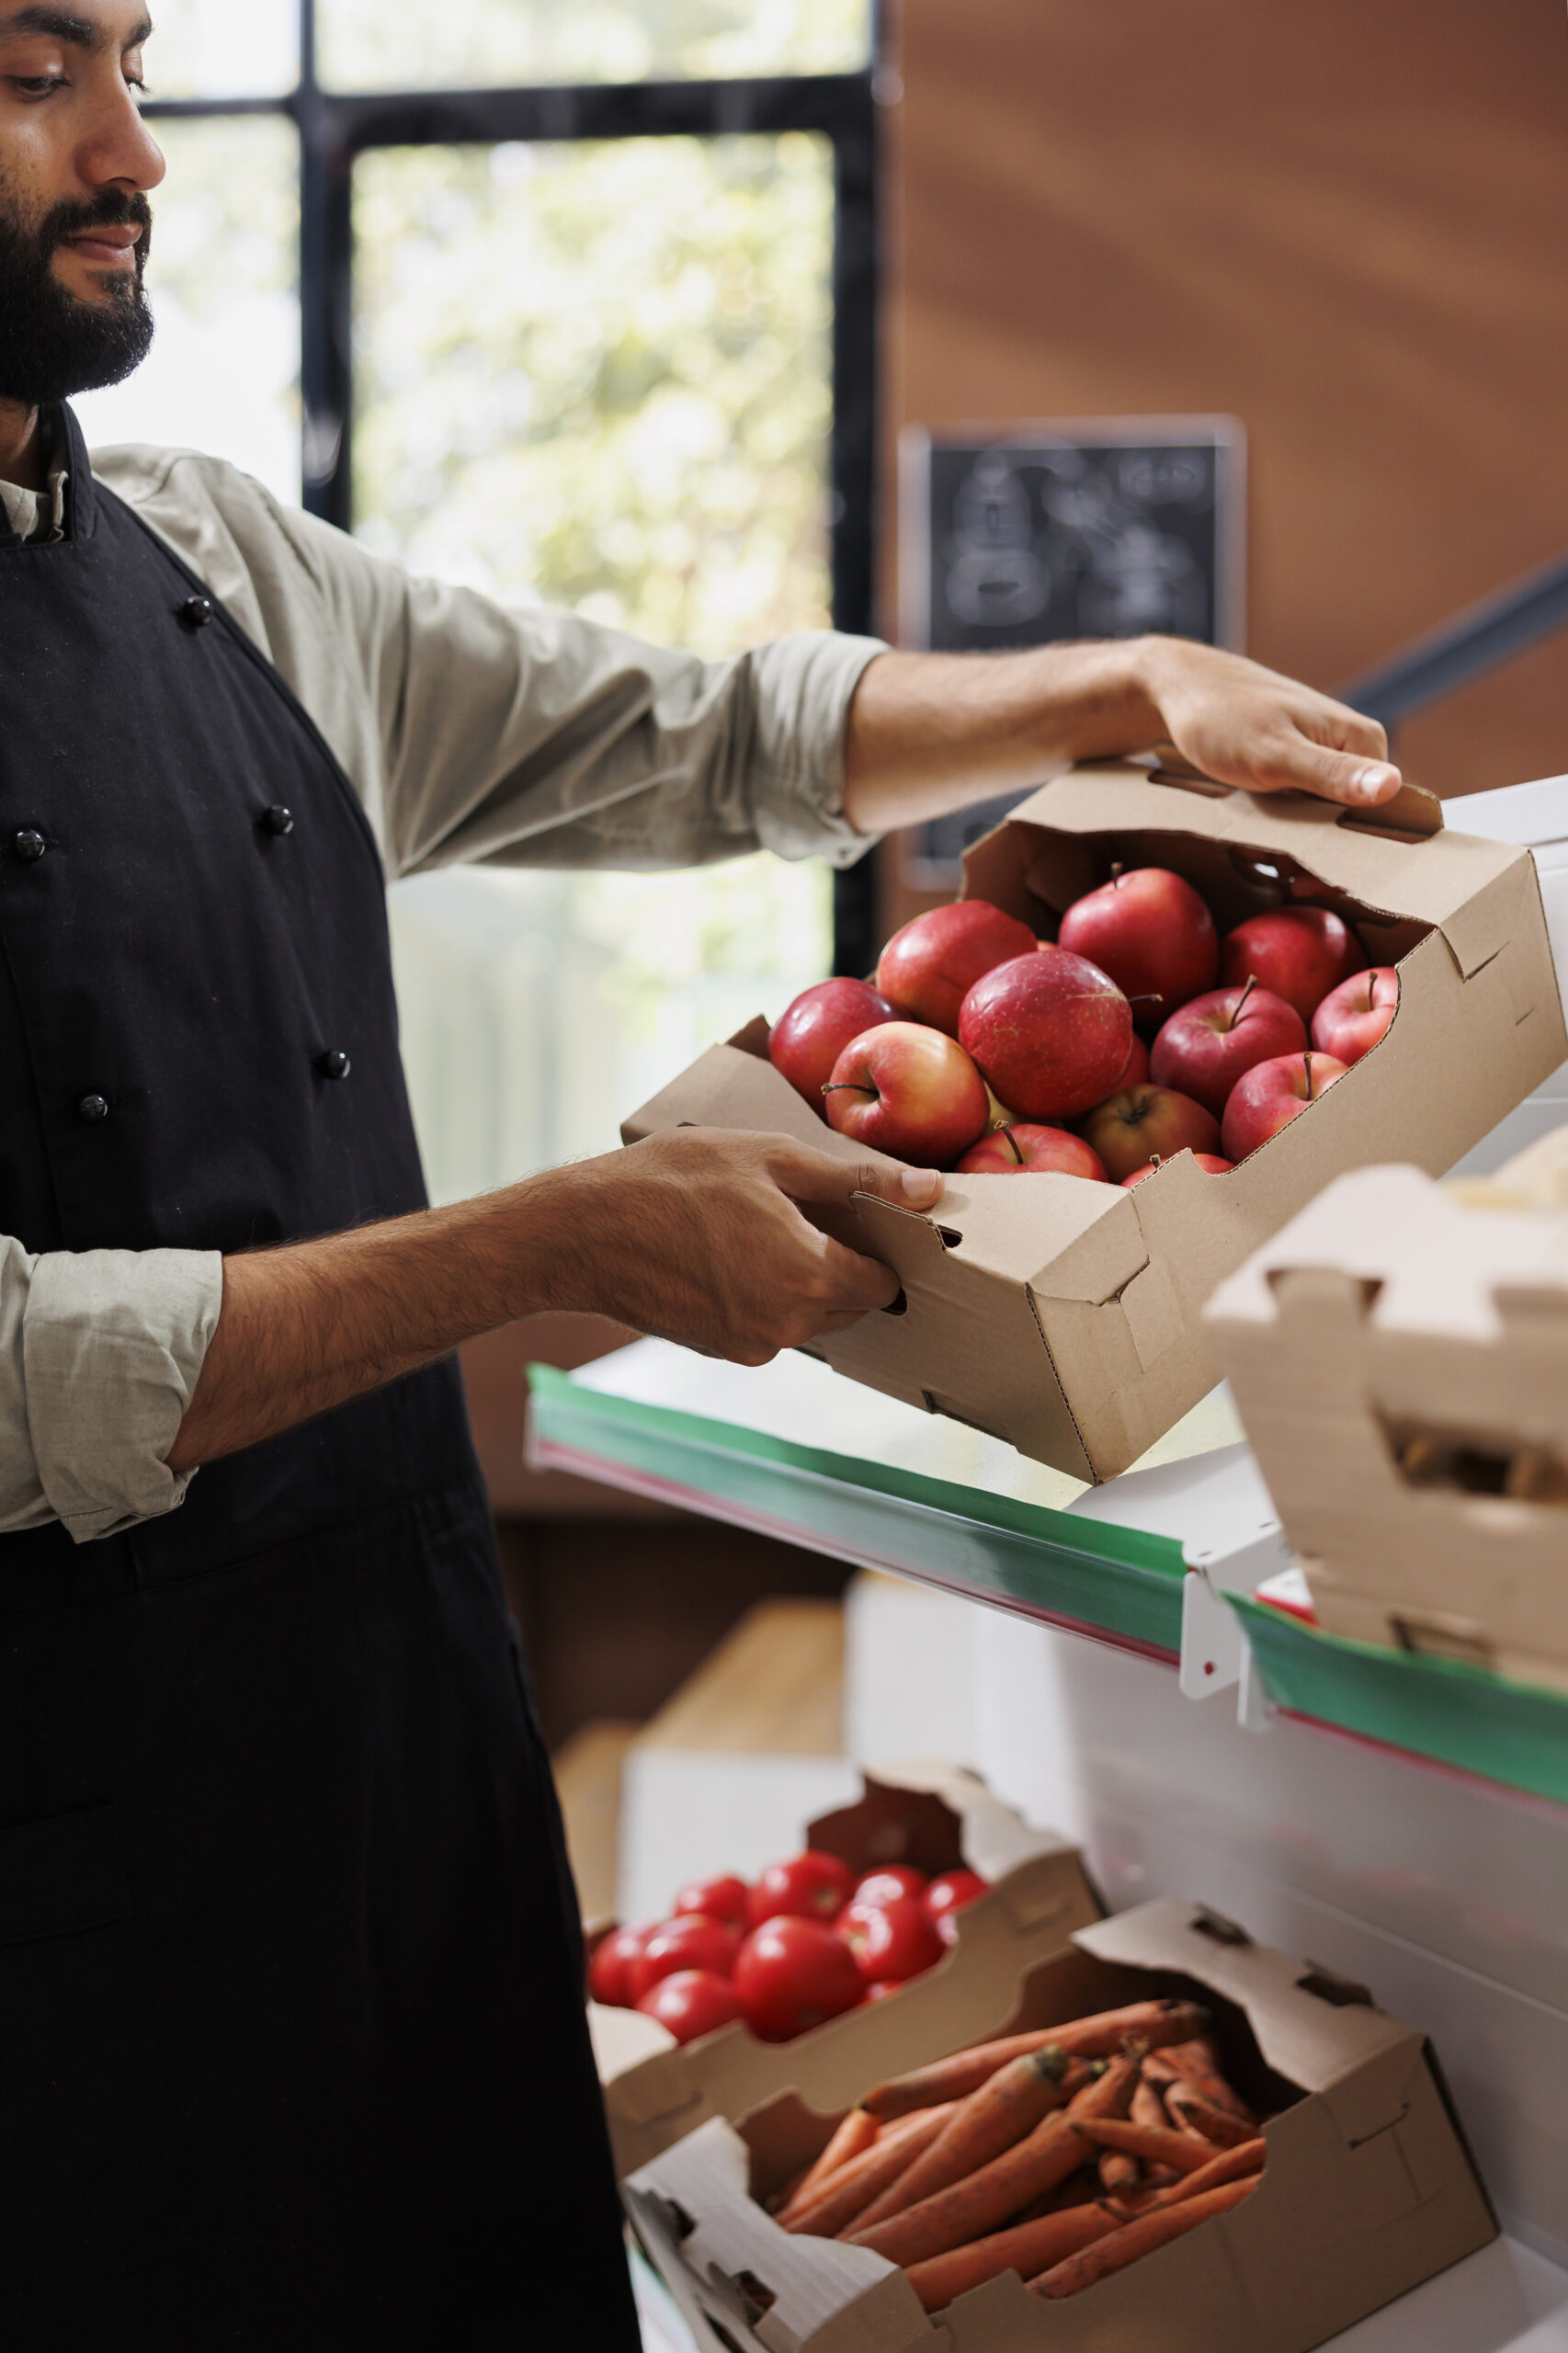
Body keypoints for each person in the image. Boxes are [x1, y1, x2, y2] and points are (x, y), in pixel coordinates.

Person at [0, 6, 1403, 2345]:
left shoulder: (207, 554)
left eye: (137, 59)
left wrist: (1113, 689)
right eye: (36, 66)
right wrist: (549, 1238)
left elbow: (690, 732)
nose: (134, 141)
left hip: (400, 1763)